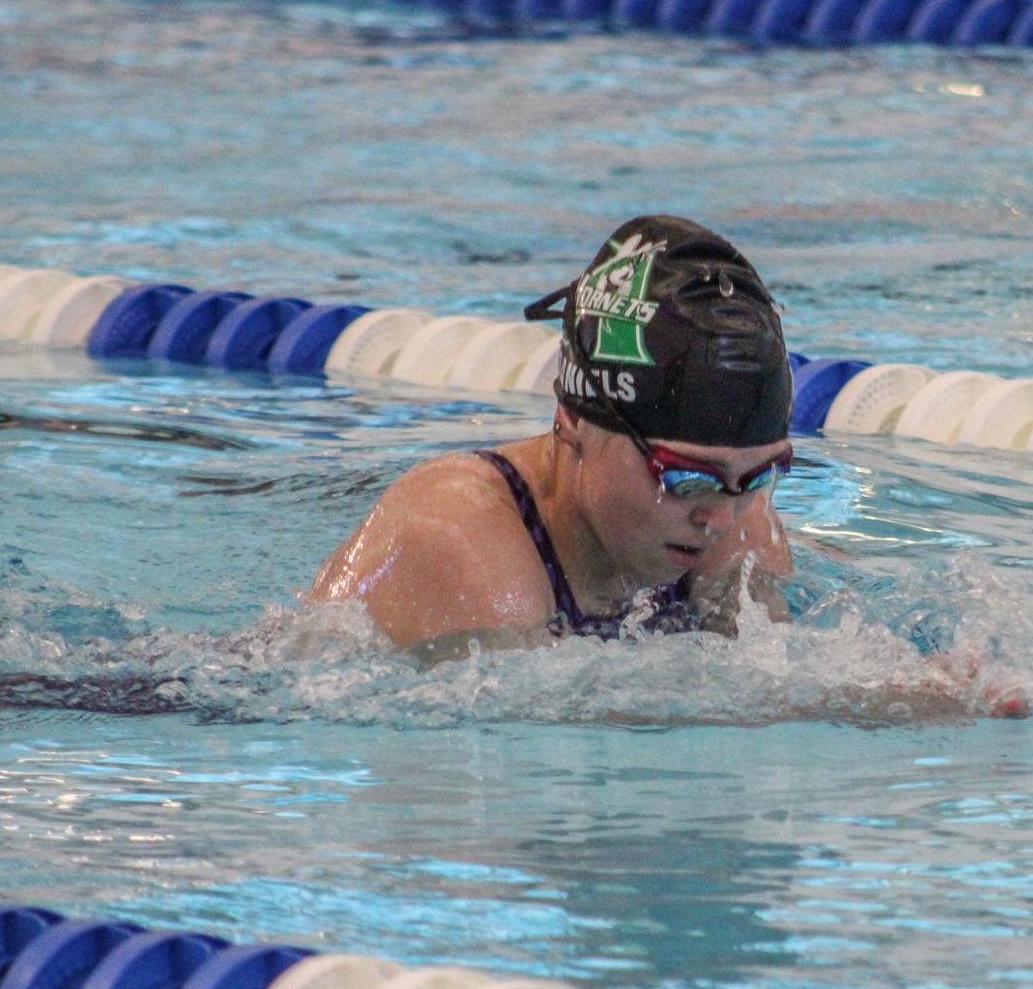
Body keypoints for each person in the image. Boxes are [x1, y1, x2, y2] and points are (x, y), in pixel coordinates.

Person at [311, 215, 796, 660]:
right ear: (573, 419)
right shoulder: (460, 538)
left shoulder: (735, 519)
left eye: (756, 477)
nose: (719, 517)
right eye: (685, 477)